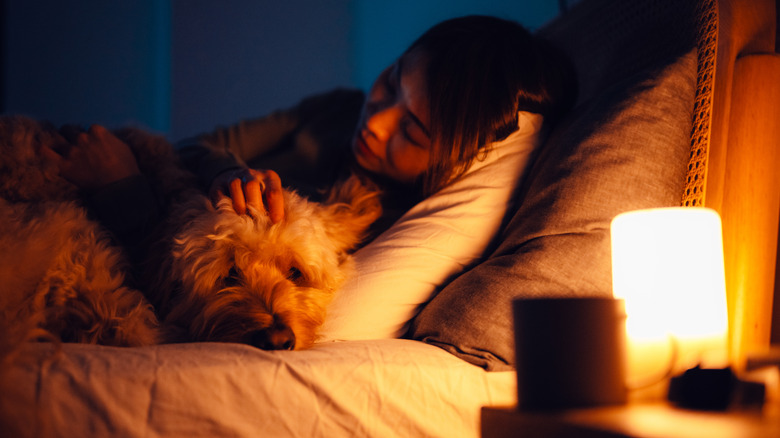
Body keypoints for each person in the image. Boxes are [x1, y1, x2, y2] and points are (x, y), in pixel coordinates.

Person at [46, 15, 576, 254]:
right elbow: (198, 145)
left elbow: (196, 289)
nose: (377, 120)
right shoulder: (339, 108)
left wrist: (121, 186)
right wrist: (229, 172)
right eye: (391, 82)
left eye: (412, 130)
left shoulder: (384, 225)